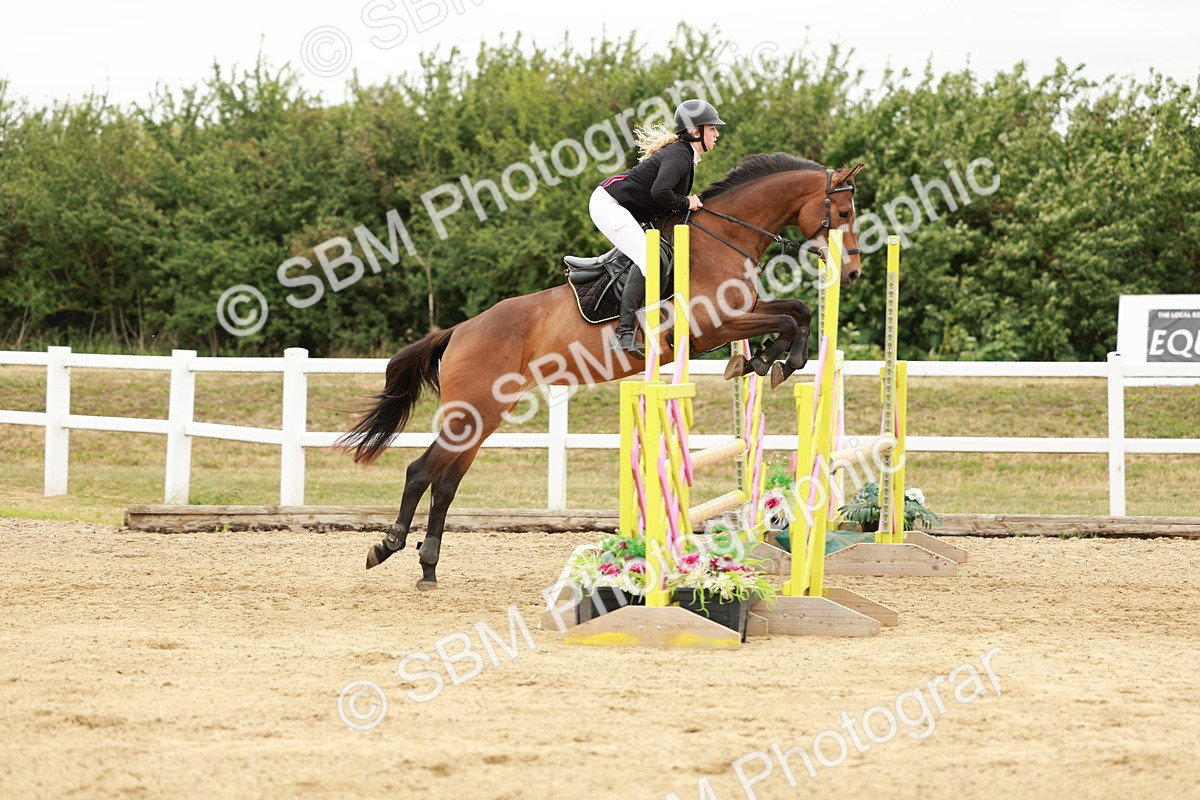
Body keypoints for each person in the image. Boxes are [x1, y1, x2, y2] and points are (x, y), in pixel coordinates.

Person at [590, 99, 725, 357]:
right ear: (696, 132)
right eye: (712, 128)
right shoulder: (680, 155)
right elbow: (660, 192)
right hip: (609, 205)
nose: (717, 133)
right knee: (649, 261)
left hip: (620, 206)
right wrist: (688, 201)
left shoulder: (684, 155)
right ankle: (624, 332)